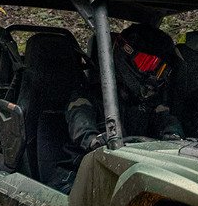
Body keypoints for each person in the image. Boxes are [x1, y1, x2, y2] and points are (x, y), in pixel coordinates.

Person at [49, 22, 184, 192]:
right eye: (146, 64)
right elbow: (80, 122)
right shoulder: (88, 96)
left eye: (161, 69)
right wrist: (94, 140)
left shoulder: (151, 103)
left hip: (130, 174)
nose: (154, 75)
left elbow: (166, 120)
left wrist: (173, 136)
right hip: (78, 176)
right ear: (124, 54)